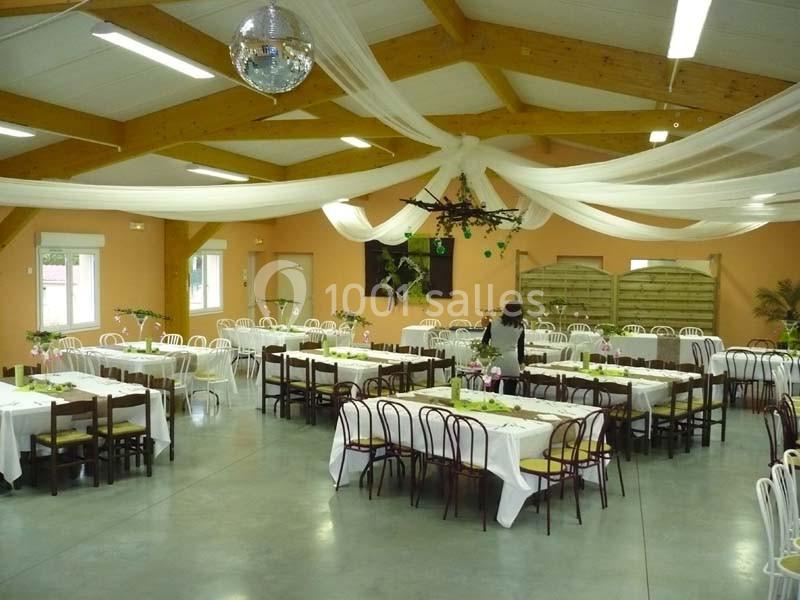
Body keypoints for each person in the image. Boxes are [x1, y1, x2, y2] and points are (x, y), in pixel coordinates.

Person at [481, 301, 525, 394]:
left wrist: (486, 356)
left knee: (491, 394)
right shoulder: (520, 327)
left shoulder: (493, 324)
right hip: (511, 363)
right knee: (510, 396)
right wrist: (521, 363)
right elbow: (521, 348)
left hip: (495, 361)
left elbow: (484, 343)